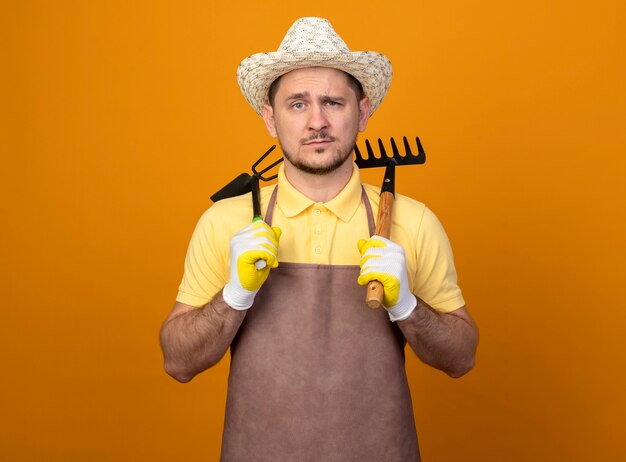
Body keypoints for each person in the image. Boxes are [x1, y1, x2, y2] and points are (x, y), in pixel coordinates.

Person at [160, 17, 478, 461]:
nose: (317, 122)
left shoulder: (414, 223)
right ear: (270, 119)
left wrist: (407, 305)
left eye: (333, 102)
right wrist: (233, 295)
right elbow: (177, 361)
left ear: (363, 112)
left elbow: (462, 357)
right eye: (296, 104)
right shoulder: (226, 222)